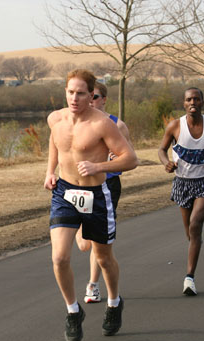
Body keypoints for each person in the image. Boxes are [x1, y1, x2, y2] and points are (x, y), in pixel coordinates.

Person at [44, 69, 138, 341]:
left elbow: (130, 159)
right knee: (60, 257)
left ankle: (113, 302)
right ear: (65, 92)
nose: (75, 97)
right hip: (64, 192)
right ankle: (73, 311)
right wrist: (50, 171)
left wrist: (98, 165)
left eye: (81, 93)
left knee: (103, 258)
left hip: (97, 194)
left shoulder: (102, 124)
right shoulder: (55, 119)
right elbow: (55, 143)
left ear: (91, 95)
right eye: (71, 92)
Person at [75, 81, 133, 303]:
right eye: (89, 96)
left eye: (96, 96)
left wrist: (112, 160)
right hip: (81, 186)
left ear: (104, 99)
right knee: (83, 244)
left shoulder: (118, 125)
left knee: (98, 240)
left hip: (108, 186)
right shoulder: (78, 123)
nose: (91, 100)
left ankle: (93, 285)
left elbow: (129, 157)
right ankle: (80, 226)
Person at [158, 87, 204, 296]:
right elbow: (161, 150)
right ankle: (196, 244)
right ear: (184, 103)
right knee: (191, 234)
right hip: (182, 183)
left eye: (197, 99)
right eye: (188, 99)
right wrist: (166, 163)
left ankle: (189, 278)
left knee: (195, 224)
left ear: (202, 102)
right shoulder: (175, 126)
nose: (193, 102)